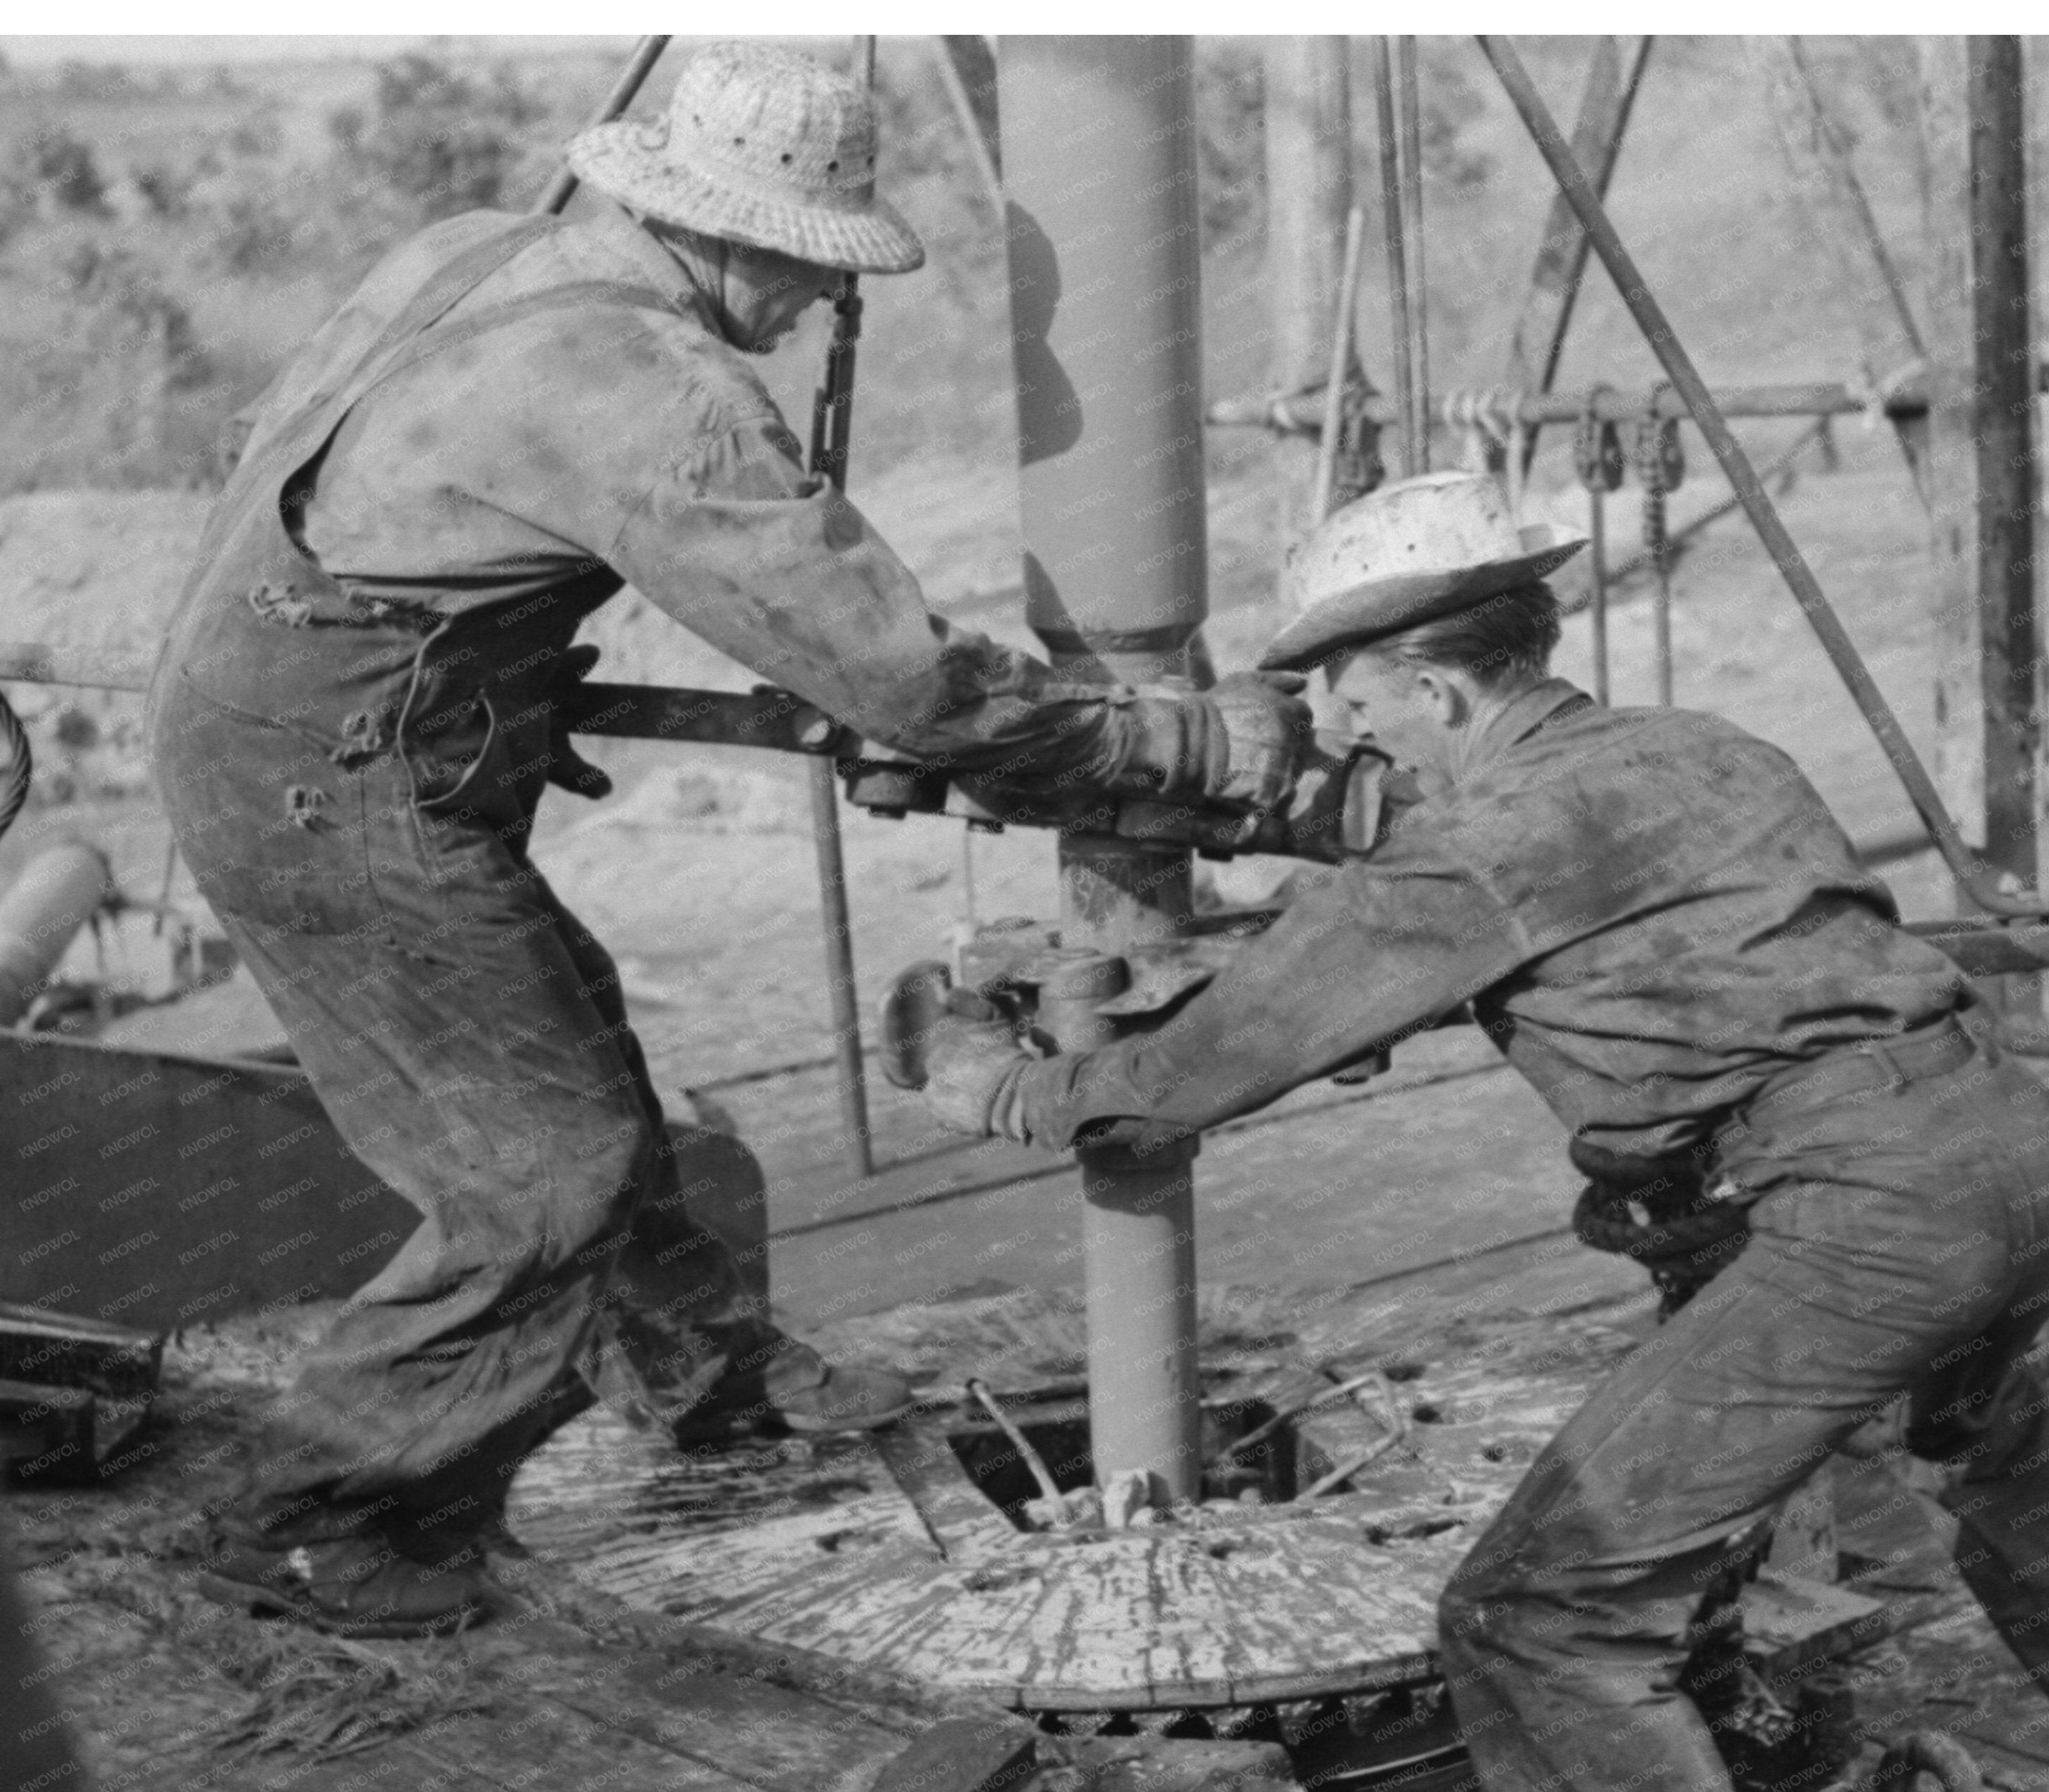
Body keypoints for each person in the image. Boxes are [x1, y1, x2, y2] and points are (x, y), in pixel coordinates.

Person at [920, 471, 2049, 1792]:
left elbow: (1205, 1069)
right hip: (1998, 1150)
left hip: (1857, 1217)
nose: (1337, 724)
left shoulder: (1470, 848)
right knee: (1956, 1420)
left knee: (1539, 1612)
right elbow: (1673, 959)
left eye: (1348, 693)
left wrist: (1007, 1084)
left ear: (1427, 686)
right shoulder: (1703, 750)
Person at [149, 40, 1308, 1639]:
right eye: (806, 276)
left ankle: (704, 1373)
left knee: (578, 1049)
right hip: (333, 785)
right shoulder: (655, 387)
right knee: (545, 1175)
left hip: (279, 717)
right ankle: (300, 1511)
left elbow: (317, 483)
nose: (811, 309)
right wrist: (1154, 739)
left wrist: (480, 676)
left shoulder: (479, 247)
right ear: (732, 238)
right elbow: (905, 680)